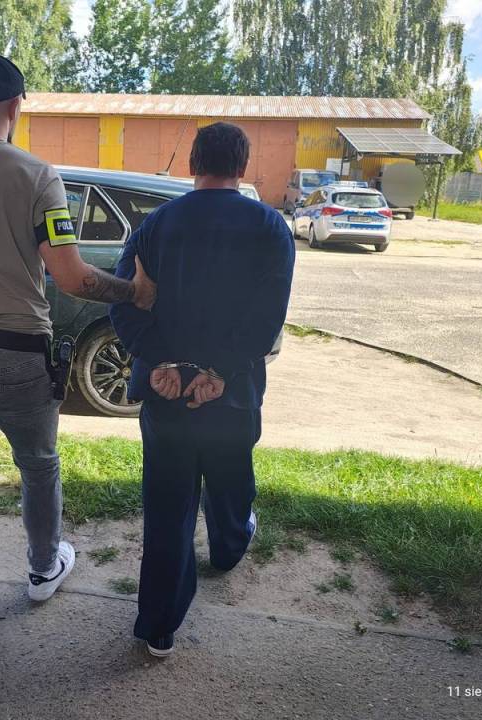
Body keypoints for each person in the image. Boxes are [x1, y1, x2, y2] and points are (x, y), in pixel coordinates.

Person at [0, 51, 156, 676]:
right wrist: (134, 292)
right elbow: (71, 277)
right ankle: (44, 569)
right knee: (38, 465)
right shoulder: (38, 176)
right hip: (20, 356)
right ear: (17, 106)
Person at [110, 122, 295, 657]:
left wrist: (160, 359)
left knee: (167, 507)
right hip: (232, 394)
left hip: (165, 392)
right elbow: (268, 318)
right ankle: (229, 546)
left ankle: (158, 628)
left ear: (193, 164)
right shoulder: (270, 227)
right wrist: (220, 372)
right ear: (242, 167)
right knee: (232, 478)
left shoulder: (155, 225)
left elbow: (123, 300)